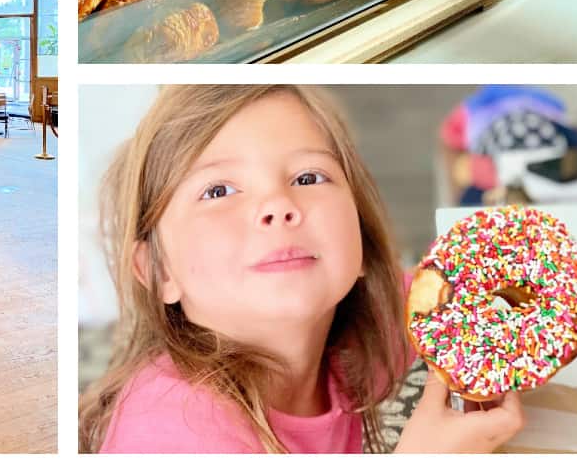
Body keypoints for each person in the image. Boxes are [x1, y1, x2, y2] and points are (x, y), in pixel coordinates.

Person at [78, 85, 525, 454]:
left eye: (308, 178)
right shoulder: (175, 432)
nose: (278, 205)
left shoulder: (357, 343)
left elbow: (462, 291)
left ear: (361, 235)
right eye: (218, 190)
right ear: (157, 272)